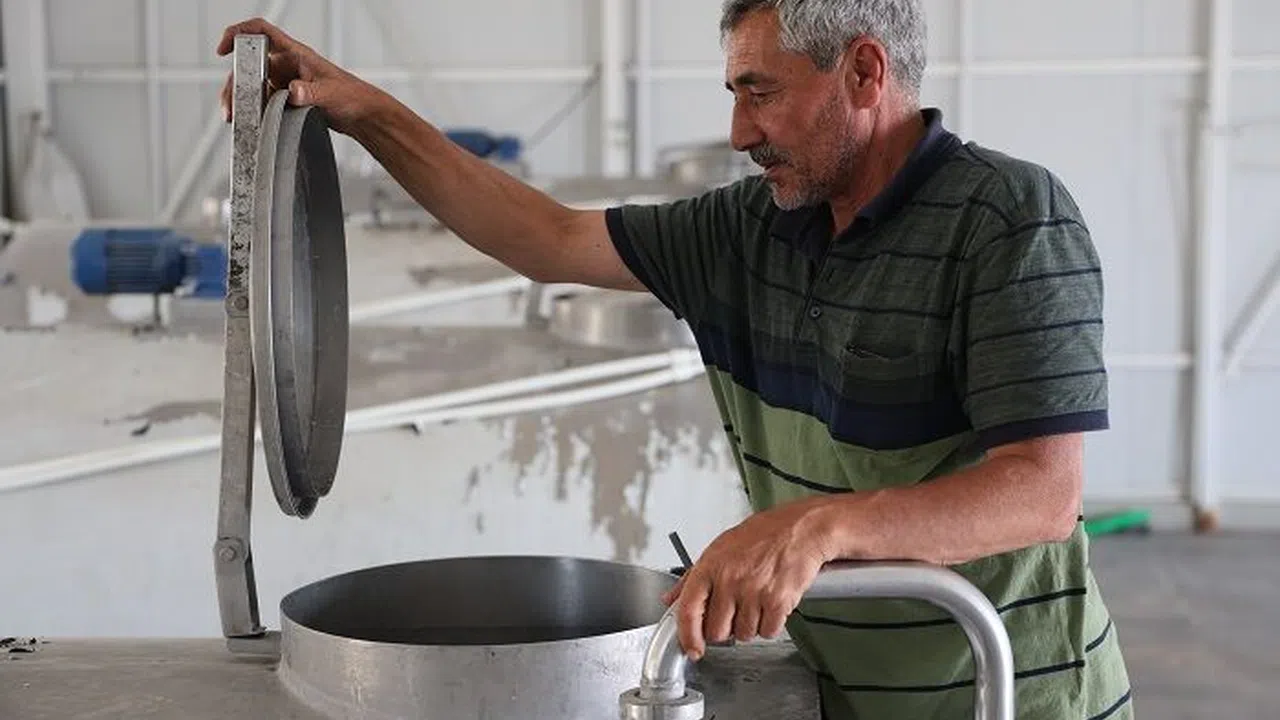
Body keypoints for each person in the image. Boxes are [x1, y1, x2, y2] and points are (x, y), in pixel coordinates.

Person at [218, 1, 1133, 717]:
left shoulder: (1009, 219)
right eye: (734, 93)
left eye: (760, 92)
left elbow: (1041, 493)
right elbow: (545, 237)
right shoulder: (743, 232)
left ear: (863, 71)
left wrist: (818, 527)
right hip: (850, 695)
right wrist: (366, 112)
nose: (738, 131)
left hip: (1011, 696)